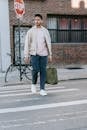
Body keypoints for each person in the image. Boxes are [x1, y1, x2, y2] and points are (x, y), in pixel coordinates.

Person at [24, 14, 52, 96]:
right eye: (35, 20)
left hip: (44, 54)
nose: (37, 21)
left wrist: (50, 54)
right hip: (34, 54)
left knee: (43, 71)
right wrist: (26, 55)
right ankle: (33, 83)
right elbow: (27, 44)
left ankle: (42, 89)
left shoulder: (45, 31)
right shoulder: (31, 31)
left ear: (41, 21)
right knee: (35, 70)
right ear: (34, 21)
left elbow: (49, 43)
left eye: (38, 19)